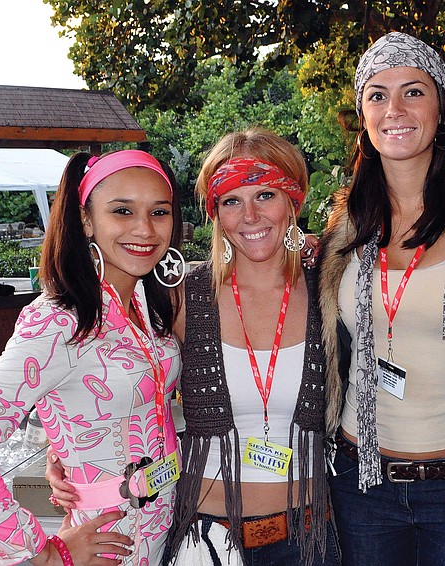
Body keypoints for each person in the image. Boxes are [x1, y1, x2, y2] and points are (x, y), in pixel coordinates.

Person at [0, 149, 185, 565]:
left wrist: (61, 446)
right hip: (109, 540)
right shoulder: (58, 320)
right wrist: (44, 553)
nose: (145, 229)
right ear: (86, 220)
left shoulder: (146, 302)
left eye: (159, 212)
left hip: (162, 531)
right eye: (122, 211)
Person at [319, 32, 445, 566]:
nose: (394, 109)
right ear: (363, 115)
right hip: (361, 482)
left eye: (413, 92)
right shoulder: (343, 230)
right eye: (377, 95)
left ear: (441, 108)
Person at [160, 128, 338, 565]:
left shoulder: (332, 291)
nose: (250, 216)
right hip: (206, 539)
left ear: (293, 201)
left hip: (309, 539)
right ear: (215, 213)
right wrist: (62, 453)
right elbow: (120, 380)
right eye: (231, 201)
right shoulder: (184, 297)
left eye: (265, 195)